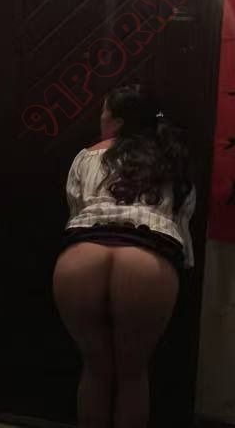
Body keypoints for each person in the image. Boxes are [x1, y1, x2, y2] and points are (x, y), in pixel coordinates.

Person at [53, 85, 196, 428]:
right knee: (132, 375)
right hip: (146, 260)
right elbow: (183, 216)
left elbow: (75, 208)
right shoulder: (171, 157)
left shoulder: (87, 156)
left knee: (95, 369)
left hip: (83, 255)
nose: (100, 118)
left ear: (116, 121)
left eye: (103, 112)